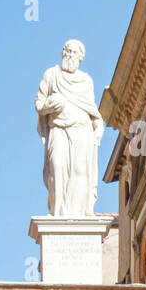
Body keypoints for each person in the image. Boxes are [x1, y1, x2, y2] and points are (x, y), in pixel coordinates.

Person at [35, 40, 104, 217]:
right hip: (58, 128)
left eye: (74, 53)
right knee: (57, 167)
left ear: (81, 57)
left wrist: (98, 124)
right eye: (67, 51)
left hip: (82, 129)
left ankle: (78, 213)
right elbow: (39, 104)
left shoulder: (86, 81)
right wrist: (51, 105)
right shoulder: (51, 75)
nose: (69, 55)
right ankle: (59, 212)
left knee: (80, 170)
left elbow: (91, 108)